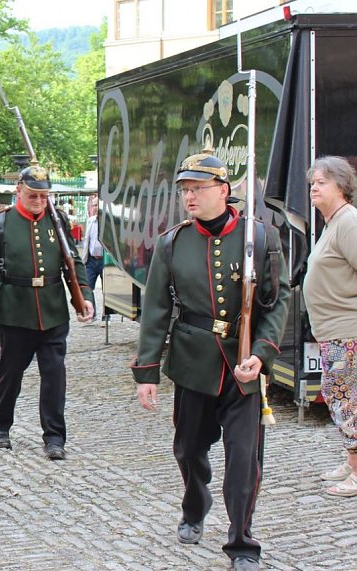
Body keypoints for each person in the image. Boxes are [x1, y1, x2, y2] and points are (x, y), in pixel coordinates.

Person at [131, 151, 290, 571]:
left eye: (197, 188)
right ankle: (195, 506)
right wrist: (147, 372)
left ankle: (241, 543)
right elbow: (156, 311)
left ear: (223, 190)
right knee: (187, 449)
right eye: (184, 190)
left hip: (243, 368)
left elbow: (278, 301)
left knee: (244, 459)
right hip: (193, 361)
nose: (189, 197)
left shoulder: (261, 237)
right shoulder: (173, 242)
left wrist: (260, 353)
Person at [0, 165, 95, 460]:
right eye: (33, 195)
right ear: (18, 191)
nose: (39, 201)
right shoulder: (1, 223)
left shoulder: (58, 220)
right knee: (10, 375)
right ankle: (1, 426)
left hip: (53, 310)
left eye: (44, 196)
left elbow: (73, 261)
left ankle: (55, 437)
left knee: (55, 376)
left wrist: (84, 296)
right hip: (14, 313)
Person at [302, 156, 357, 496]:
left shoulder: (348, 222)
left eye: (321, 182)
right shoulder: (333, 223)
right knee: (340, 395)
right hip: (334, 333)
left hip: (346, 333)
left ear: (341, 186)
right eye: (312, 183)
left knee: (344, 396)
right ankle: (352, 461)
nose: (314, 188)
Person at [80, 195, 104, 323]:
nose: (95, 208)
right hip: (91, 260)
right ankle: (92, 313)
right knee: (88, 287)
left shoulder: (107, 222)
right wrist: (84, 260)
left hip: (105, 261)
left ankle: (107, 314)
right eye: (94, 205)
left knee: (107, 290)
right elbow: (87, 241)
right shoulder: (90, 221)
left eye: (97, 205)